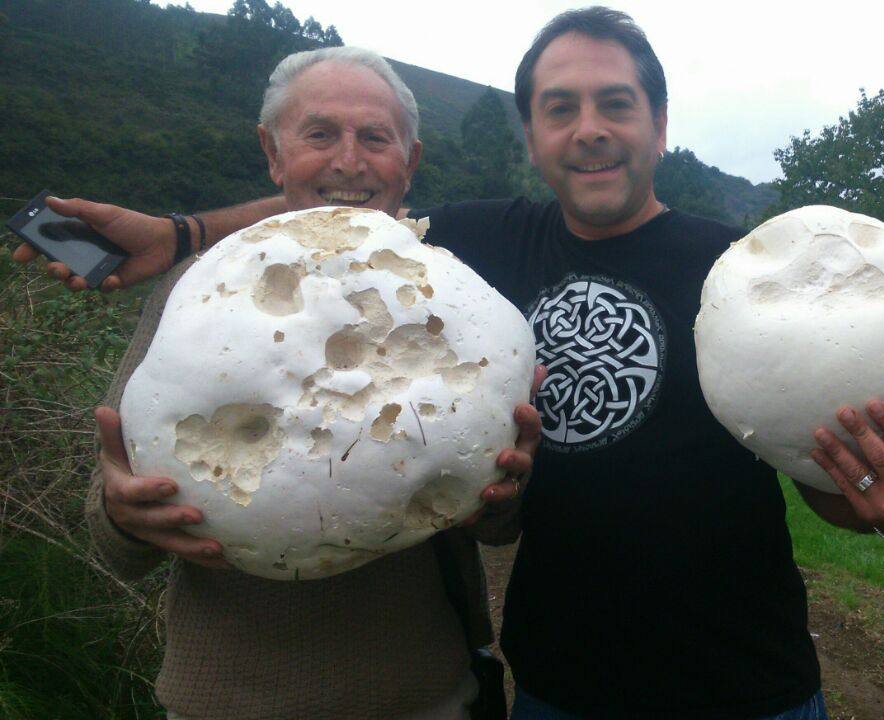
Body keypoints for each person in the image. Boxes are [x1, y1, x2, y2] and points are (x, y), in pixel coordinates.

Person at [16, 8, 884, 718]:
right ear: (531, 133)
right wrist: (182, 234)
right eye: (560, 108)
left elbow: (819, 468)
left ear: (658, 120)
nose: (590, 127)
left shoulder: (743, 281)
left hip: (745, 685)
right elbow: (337, 225)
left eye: (615, 103)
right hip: (553, 687)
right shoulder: (469, 250)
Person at [63, 46, 542, 720]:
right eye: (320, 134)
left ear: (410, 160)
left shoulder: (456, 302)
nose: (349, 160)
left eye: (375, 137)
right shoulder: (199, 295)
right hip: (229, 702)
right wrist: (125, 514)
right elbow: (114, 538)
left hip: (426, 694)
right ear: (273, 151)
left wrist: (498, 499)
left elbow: (497, 527)